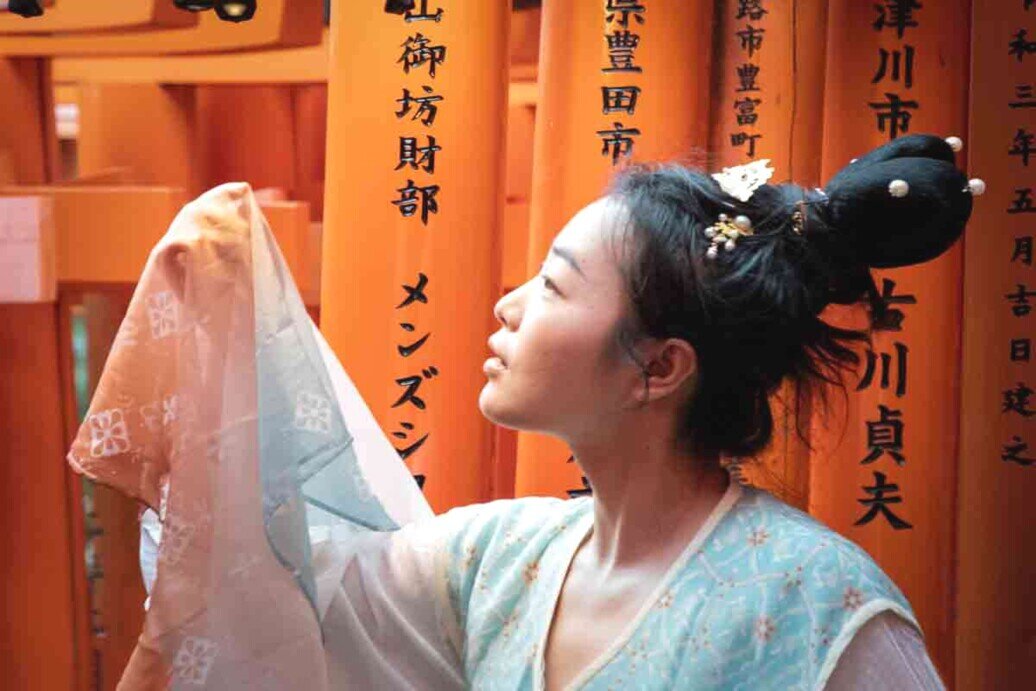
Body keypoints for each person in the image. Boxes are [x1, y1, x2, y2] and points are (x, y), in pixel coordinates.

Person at [72, 133, 980, 689]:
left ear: (658, 367)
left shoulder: (818, 599)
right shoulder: (502, 558)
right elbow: (277, 586)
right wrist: (226, 292)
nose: (509, 305)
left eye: (551, 284)